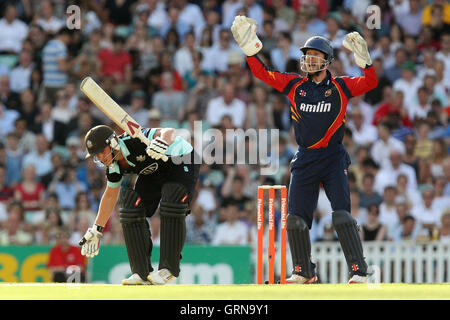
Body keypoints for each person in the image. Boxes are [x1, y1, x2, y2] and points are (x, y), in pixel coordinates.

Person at [231, 16, 378, 283]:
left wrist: (366, 64)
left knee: (342, 216)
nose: (309, 60)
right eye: (307, 56)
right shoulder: (294, 85)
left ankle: (359, 271)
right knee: (295, 220)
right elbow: (263, 74)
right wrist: (250, 51)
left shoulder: (341, 87)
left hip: (333, 157)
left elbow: (370, 83)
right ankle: (303, 271)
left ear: (327, 60)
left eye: (314, 55)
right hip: (306, 158)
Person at [78, 124, 199, 285]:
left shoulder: (134, 139)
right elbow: (109, 196)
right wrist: (97, 229)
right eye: (96, 155)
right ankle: (141, 272)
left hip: (181, 159)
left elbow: (169, 132)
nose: (100, 157)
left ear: (113, 142)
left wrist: (162, 142)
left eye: (102, 151)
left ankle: (168, 269)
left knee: (172, 199)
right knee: (130, 207)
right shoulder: (114, 166)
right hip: (153, 170)